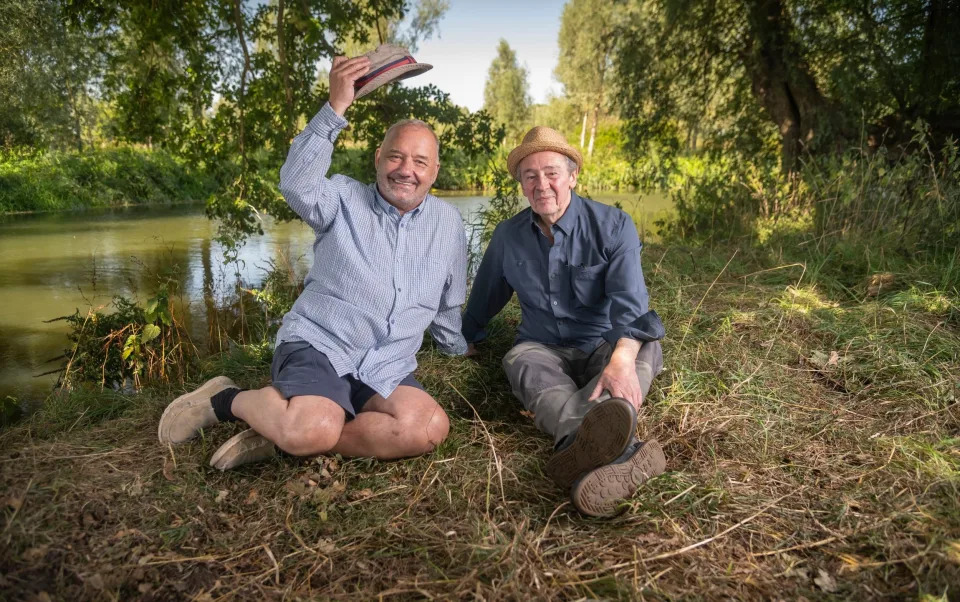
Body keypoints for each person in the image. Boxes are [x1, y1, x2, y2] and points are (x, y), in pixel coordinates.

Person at [158, 50, 467, 470]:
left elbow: (449, 299)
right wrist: (336, 106)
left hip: (384, 364)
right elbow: (296, 183)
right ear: (378, 158)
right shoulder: (342, 198)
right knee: (314, 429)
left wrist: (455, 349)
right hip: (321, 345)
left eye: (419, 161)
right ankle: (225, 401)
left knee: (427, 427)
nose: (405, 170)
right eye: (395, 156)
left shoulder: (449, 225)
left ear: (434, 171)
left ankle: (282, 435)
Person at [462, 126, 667, 517]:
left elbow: (630, 304)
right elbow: (484, 298)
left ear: (572, 176)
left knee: (644, 345)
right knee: (519, 361)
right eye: (530, 175)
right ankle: (623, 452)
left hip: (604, 343)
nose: (542, 185)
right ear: (521, 184)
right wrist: (462, 338)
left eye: (552, 173)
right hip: (542, 348)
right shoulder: (507, 236)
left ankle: (575, 449)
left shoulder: (613, 226)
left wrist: (619, 361)